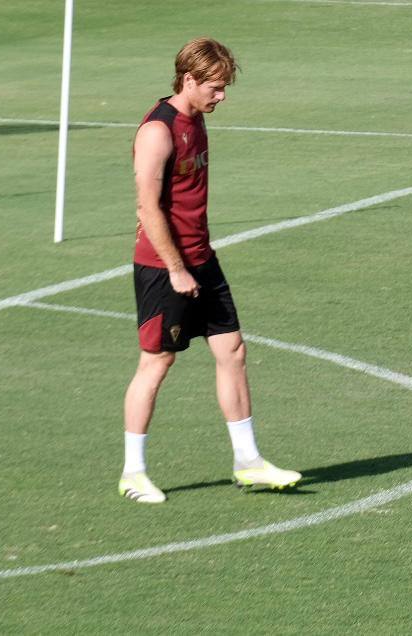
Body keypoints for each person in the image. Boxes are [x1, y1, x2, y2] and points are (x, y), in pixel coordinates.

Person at [120, 37, 301, 503]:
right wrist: (178, 269)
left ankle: (248, 462)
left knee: (233, 352)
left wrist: (197, 260)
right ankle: (133, 472)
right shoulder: (158, 132)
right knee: (158, 362)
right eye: (215, 88)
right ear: (189, 79)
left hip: (203, 258)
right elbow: (147, 206)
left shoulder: (196, 121)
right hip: (165, 267)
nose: (221, 96)